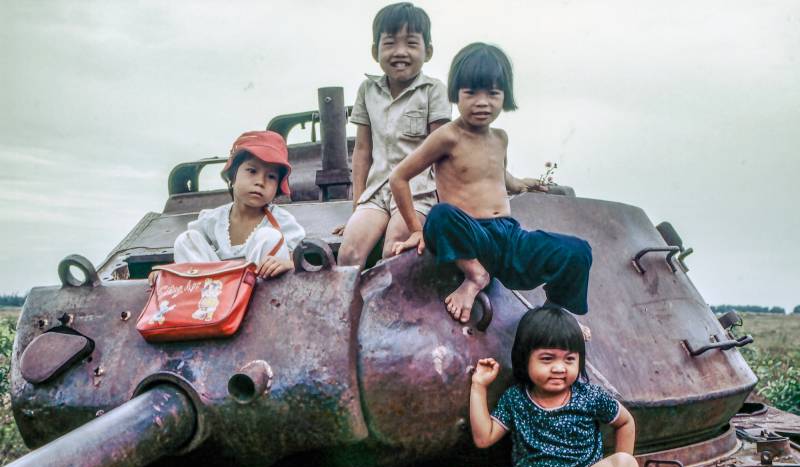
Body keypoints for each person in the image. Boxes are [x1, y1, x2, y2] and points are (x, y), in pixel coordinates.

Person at [390, 43, 592, 323]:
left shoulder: (500, 138)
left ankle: (556, 313)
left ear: (504, 96)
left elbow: (498, 176)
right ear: (456, 94)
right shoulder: (448, 136)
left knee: (577, 250)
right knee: (440, 215)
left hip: (508, 237)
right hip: (469, 235)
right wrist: (415, 229)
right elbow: (398, 177)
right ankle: (475, 275)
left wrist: (520, 183)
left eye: (493, 93)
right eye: (471, 93)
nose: (482, 102)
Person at [445, 307, 638, 467]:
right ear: (524, 358)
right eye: (547, 359)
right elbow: (484, 438)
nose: (559, 368)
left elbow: (625, 422)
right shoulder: (515, 399)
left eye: (569, 359)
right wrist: (479, 386)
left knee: (626, 465)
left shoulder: (590, 396)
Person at [334, 2, 451, 268]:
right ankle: (350, 310)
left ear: (428, 51)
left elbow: (444, 154)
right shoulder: (367, 90)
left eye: (411, 43)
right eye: (390, 43)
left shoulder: (434, 91)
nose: (400, 52)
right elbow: (362, 151)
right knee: (348, 254)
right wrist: (357, 208)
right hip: (376, 194)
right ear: (375, 51)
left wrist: (447, 210)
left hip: (417, 194)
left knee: (394, 252)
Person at [171, 130, 305, 279]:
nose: (260, 182)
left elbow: (301, 259)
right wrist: (167, 273)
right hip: (213, 291)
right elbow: (191, 251)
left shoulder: (282, 221)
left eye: (271, 176)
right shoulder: (212, 220)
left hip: (259, 294)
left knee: (271, 236)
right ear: (233, 176)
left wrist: (290, 264)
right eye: (252, 171)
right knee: (186, 239)